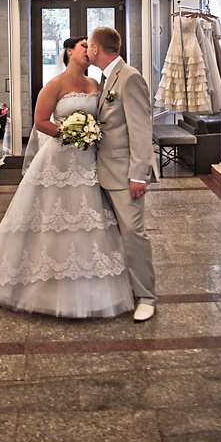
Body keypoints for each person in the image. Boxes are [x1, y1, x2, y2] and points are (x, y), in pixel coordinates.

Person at [0, 37, 134, 319]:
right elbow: (40, 121)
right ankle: (42, 287)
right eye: (83, 45)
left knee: (88, 218)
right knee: (53, 217)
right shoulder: (55, 84)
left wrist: (91, 134)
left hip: (89, 160)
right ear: (69, 51)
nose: (89, 50)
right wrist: (71, 133)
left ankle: (92, 288)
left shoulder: (95, 84)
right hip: (59, 159)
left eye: (91, 46)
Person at [87, 26, 157, 323]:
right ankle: (125, 288)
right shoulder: (105, 79)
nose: (87, 50)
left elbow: (141, 129)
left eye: (89, 45)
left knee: (133, 235)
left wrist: (138, 175)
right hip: (104, 171)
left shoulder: (129, 78)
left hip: (124, 174)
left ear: (96, 49)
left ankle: (147, 297)